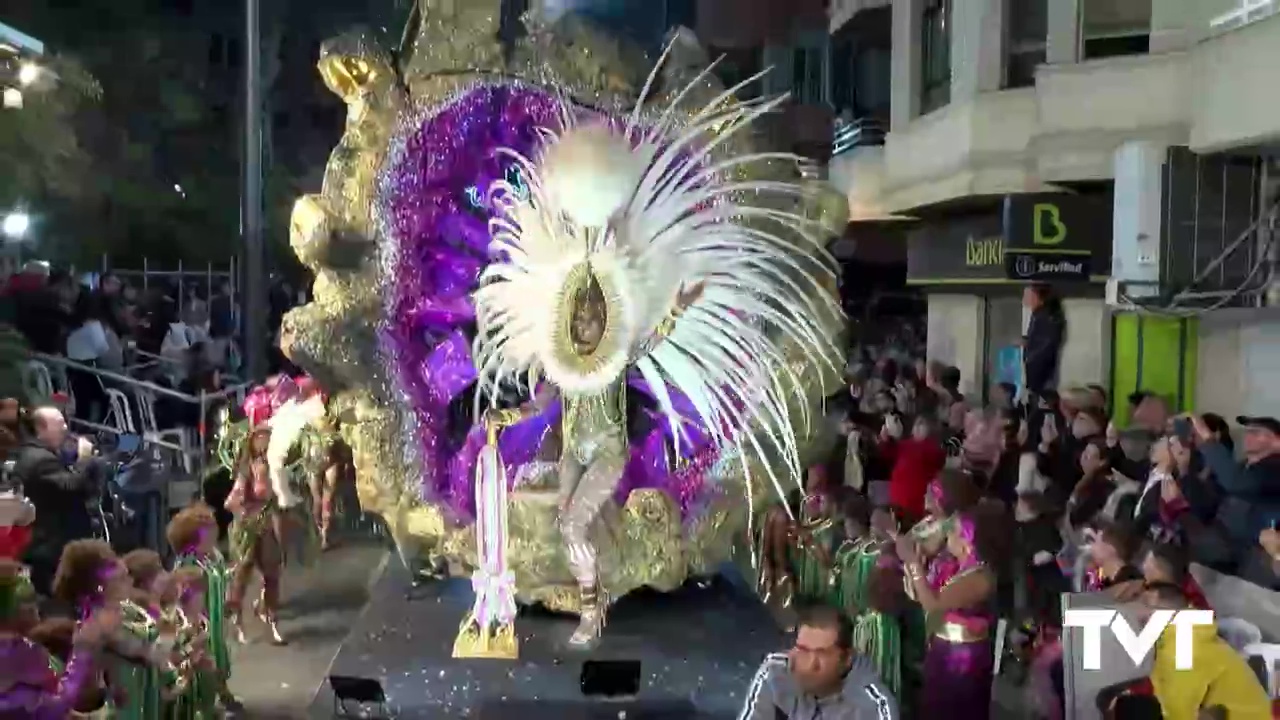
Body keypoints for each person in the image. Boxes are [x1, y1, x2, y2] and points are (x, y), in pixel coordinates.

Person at [1096, 582, 1271, 720]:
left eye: (1130, 606)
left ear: (1152, 599)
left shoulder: (1183, 647)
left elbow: (1179, 714)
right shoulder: (1181, 637)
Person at [896, 501, 1004, 718]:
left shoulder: (979, 577)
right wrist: (916, 560)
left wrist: (913, 563)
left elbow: (932, 603)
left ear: (968, 540)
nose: (948, 537)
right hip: (945, 650)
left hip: (962, 660)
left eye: (954, 532)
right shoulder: (958, 566)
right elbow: (922, 592)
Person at [740, 603, 899, 720]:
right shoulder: (775, 672)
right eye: (802, 650)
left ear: (846, 659)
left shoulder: (872, 706)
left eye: (821, 654)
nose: (809, 664)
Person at [0, 558, 115, 719]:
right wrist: (82, 651)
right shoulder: (16, 652)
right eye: (27, 599)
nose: (37, 604)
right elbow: (57, 705)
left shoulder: (25, 647)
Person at [12, 407, 99, 594]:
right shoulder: (41, 460)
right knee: (56, 603)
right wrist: (84, 460)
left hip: (48, 543)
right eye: (59, 424)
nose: (65, 428)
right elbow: (72, 486)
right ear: (41, 429)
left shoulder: (38, 454)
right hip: (51, 546)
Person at [169, 503, 236, 708]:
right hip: (201, 619)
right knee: (205, 659)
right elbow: (185, 599)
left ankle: (223, 692)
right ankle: (205, 703)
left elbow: (221, 577)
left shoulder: (213, 556)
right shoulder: (187, 565)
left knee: (221, 653)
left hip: (216, 616)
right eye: (208, 534)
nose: (214, 536)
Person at [225, 426, 286, 645]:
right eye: (260, 439)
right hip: (247, 526)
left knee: (272, 574)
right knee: (242, 574)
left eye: (268, 438)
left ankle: (272, 621)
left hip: (267, 525)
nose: (264, 443)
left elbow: (278, 499)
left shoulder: (275, 466)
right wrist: (243, 513)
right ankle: (238, 622)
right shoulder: (245, 469)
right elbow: (233, 499)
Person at [1022, 284, 1065, 404]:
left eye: (1028, 295)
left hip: (1042, 379)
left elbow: (1045, 347)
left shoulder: (1046, 316)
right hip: (1040, 378)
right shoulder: (1040, 315)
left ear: (1038, 296)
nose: (1024, 298)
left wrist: (1033, 381)